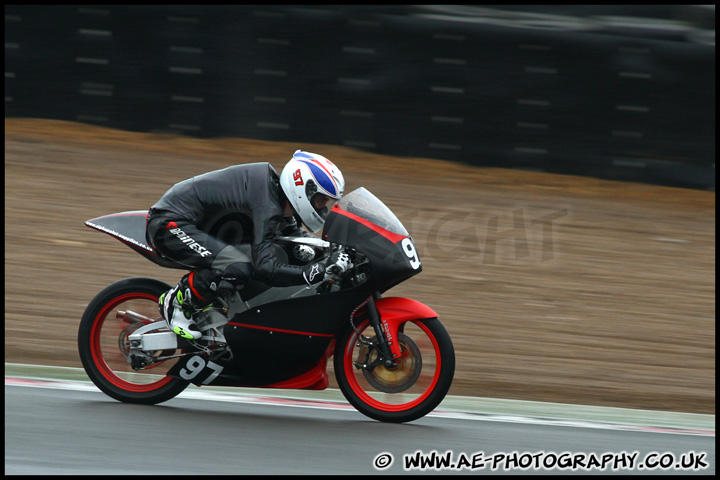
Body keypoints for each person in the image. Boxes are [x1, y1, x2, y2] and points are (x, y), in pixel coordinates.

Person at [145, 149, 351, 340]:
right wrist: (313, 272)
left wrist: (333, 248)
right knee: (238, 267)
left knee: (276, 253)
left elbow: (294, 235)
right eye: (321, 200)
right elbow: (266, 269)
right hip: (170, 224)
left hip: (195, 226)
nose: (323, 208)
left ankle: (216, 308)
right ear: (303, 188)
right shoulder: (266, 203)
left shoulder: (276, 197)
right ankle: (177, 302)